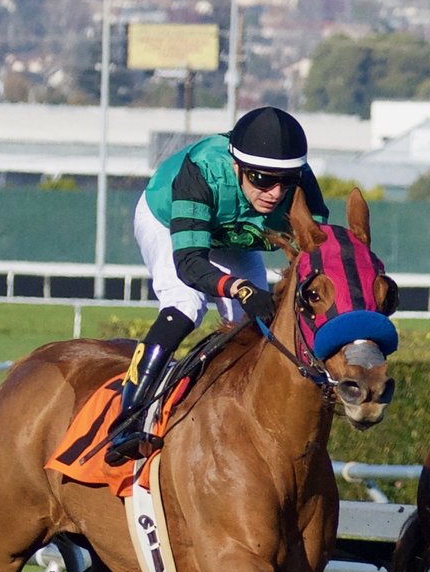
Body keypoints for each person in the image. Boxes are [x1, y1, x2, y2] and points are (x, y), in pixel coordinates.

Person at [104, 106, 329, 464]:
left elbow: (319, 252)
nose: (274, 193)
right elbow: (191, 264)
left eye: (284, 182)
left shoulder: (299, 183)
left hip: (236, 236)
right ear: (237, 166)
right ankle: (128, 417)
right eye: (261, 179)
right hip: (170, 220)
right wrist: (240, 287)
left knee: (259, 325)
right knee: (186, 305)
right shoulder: (202, 171)